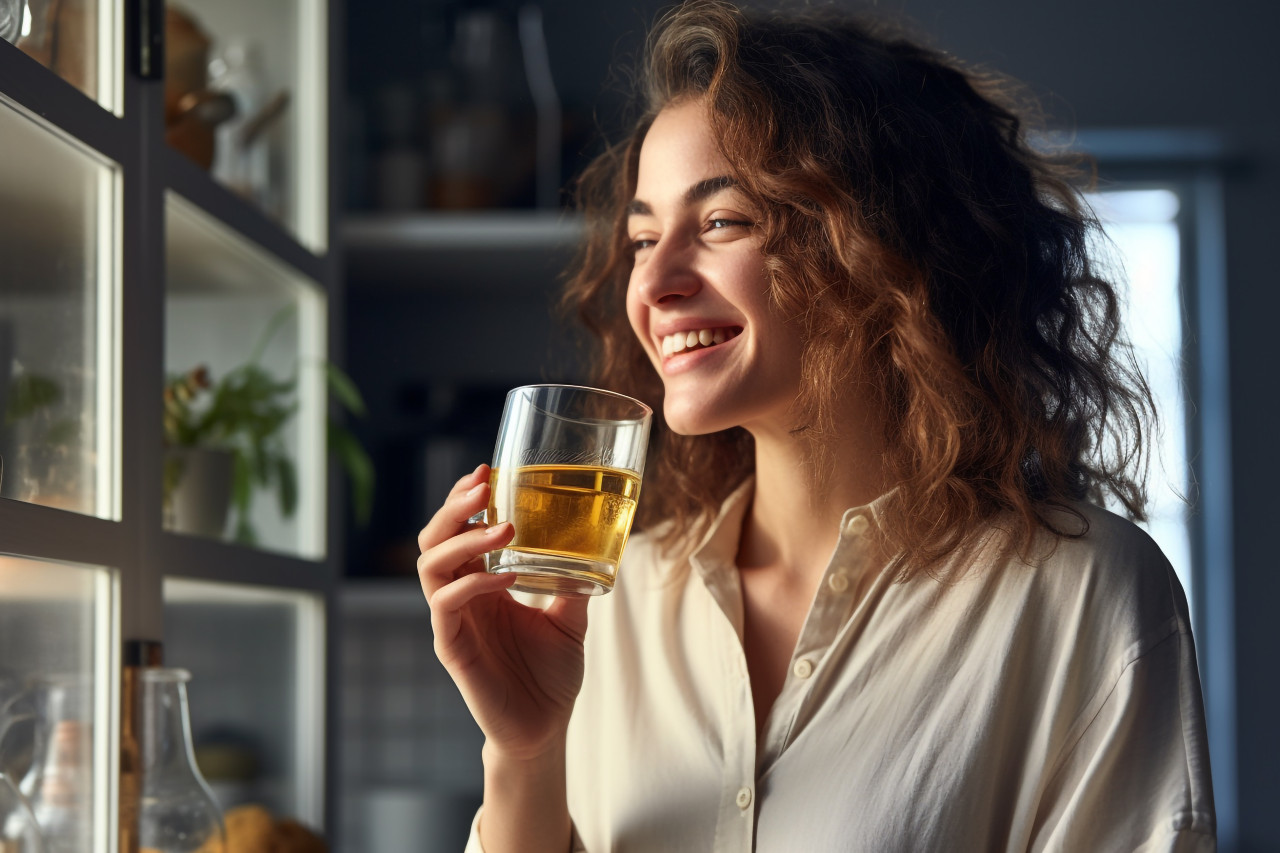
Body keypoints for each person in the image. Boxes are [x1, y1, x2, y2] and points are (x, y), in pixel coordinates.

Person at [416, 1, 1217, 850]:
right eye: (644, 237)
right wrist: (524, 751)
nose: (652, 287)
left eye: (722, 221)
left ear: (881, 247)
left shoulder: (1080, 595)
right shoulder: (608, 601)